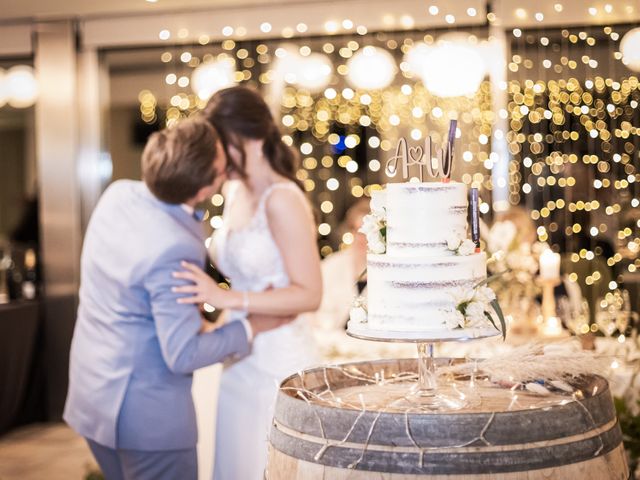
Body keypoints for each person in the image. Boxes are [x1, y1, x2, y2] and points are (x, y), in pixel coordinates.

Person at [63, 117, 290, 480]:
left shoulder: (117, 194)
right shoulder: (175, 247)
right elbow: (183, 355)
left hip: (92, 398)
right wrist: (253, 325)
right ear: (204, 189)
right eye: (221, 165)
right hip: (146, 422)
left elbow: (130, 292)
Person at [172, 86, 322, 480]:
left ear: (251, 137)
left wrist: (225, 297)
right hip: (238, 352)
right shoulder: (234, 190)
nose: (216, 158)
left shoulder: (282, 198)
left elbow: (310, 293)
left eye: (221, 144)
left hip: (277, 359)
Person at [312, 198, 369, 331]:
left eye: (367, 232)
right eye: (357, 230)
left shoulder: (388, 270)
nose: (362, 238)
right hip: (334, 343)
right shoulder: (331, 265)